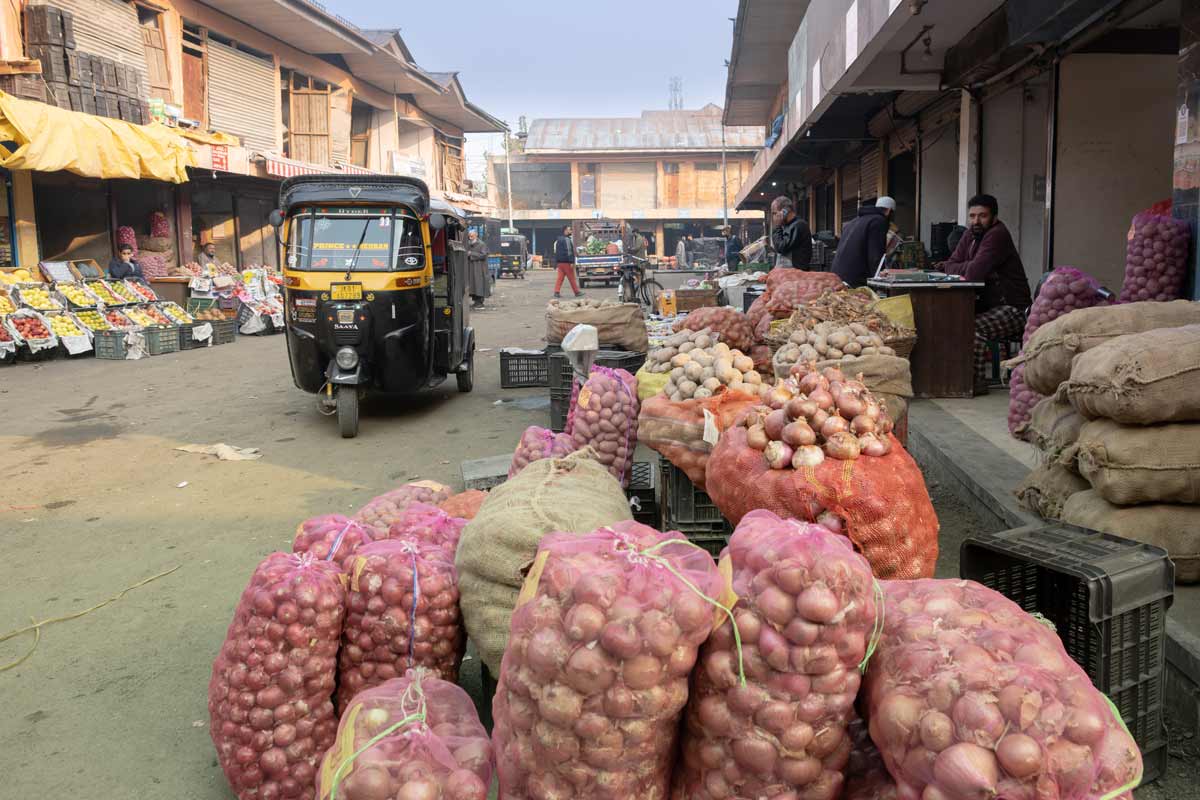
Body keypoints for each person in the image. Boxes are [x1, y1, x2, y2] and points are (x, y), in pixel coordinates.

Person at [940, 194, 1033, 395]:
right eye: (972, 216)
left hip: (1013, 308)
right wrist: (963, 266)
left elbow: (973, 272)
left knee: (968, 328)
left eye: (982, 216)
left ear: (994, 217)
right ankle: (953, 378)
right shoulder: (971, 234)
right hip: (988, 306)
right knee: (949, 322)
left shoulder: (997, 234)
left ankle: (975, 382)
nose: (976, 221)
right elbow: (949, 264)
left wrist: (960, 267)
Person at [830, 196, 894, 287]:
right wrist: (879, 276)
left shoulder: (854, 221)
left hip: (838, 274)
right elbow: (875, 253)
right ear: (888, 211)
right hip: (855, 278)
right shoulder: (878, 221)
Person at [770, 195, 813, 268]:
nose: (774, 217)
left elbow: (781, 247)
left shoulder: (798, 225)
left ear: (784, 211)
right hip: (787, 272)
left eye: (775, 213)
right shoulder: (787, 225)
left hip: (796, 274)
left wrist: (777, 226)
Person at [552, 224, 582, 298]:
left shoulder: (558, 240)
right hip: (567, 263)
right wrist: (572, 261)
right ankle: (577, 292)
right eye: (569, 229)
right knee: (572, 278)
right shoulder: (567, 240)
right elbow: (569, 251)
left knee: (560, 278)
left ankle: (556, 292)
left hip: (560, 263)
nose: (570, 231)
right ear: (565, 230)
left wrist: (556, 263)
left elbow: (556, 252)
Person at [466, 229, 491, 310]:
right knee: (473, 285)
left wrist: (471, 254)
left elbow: (483, 255)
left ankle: (480, 302)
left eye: (472, 236)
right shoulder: (469, 244)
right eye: (469, 236)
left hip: (479, 268)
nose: (470, 237)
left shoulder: (481, 244)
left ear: (476, 235)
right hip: (472, 267)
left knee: (479, 284)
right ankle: (476, 302)